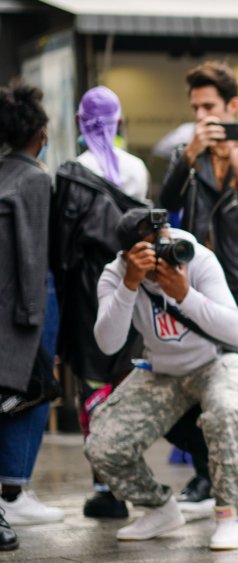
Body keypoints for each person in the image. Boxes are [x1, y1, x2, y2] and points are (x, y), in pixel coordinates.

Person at [84, 209, 238, 550]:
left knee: (227, 411)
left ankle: (230, 514)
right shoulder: (116, 274)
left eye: (164, 242)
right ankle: (159, 509)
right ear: (128, 254)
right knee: (102, 443)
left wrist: (185, 294)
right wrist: (130, 284)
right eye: (151, 249)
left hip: (217, 361)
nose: (165, 253)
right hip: (162, 370)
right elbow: (108, 343)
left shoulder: (196, 258)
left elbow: (236, 330)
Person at [159, 61, 238, 513]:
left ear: (233, 106)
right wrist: (188, 158)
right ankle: (204, 476)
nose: (201, 116)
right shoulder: (186, 154)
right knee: (195, 378)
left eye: (209, 106)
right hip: (199, 283)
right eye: (195, 108)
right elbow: (166, 204)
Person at [50, 85, 150, 519]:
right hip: (131, 279)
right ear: (120, 120)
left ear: (78, 122)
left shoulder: (71, 172)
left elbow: (62, 248)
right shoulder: (138, 169)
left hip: (88, 289)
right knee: (127, 379)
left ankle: (103, 483)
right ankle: (128, 472)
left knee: (93, 382)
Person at [0, 79, 62, 551]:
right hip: (16, 314)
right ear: (38, 132)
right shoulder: (37, 178)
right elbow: (32, 253)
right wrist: (34, 319)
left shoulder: (3, 173)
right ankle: (11, 493)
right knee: (18, 401)